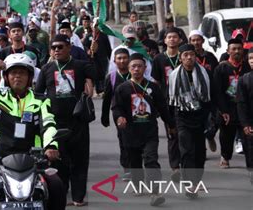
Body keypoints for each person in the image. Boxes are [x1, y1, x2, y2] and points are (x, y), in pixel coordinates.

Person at [0, 53, 65, 210]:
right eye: (13, 73)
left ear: (30, 77)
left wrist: (51, 146)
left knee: (57, 185)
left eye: (22, 73)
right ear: (6, 77)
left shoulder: (41, 101)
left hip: (34, 160)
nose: (17, 77)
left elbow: (48, 124)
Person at [35, 34, 97, 206]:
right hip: (55, 123)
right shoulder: (46, 69)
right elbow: (38, 94)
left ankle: (78, 197)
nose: (57, 50)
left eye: (60, 47)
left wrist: (93, 55)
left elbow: (97, 74)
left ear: (69, 47)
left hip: (78, 121)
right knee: (58, 162)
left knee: (79, 161)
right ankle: (60, 196)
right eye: (54, 47)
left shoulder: (80, 65)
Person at [112, 53, 176, 207]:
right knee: (134, 162)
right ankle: (138, 184)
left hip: (149, 132)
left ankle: (156, 191)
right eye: (133, 66)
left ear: (145, 68)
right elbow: (116, 108)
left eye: (139, 66)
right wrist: (119, 118)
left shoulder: (153, 87)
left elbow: (163, 108)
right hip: (130, 132)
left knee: (151, 160)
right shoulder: (123, 88)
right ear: (129, 68)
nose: (136, 69)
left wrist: (171, 125)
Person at [168, 44, 211, 199]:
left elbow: (208, 100)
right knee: (186, 150)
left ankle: (196, 180)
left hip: (200, 116)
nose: (189, 58)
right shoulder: (174, 75)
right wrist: (170, 123)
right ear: (180, 58)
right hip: (182, 115)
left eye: (191, 54)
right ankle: (189, 184)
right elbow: (171, 102)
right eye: (185, 55)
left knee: (200, 152)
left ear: (195, 56)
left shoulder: (204, 73)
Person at [213, 38, 251, 169]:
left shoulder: (247, 67)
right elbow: (217, 91)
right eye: (233, 49)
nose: (237, 51)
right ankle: (225, 156)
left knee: (248, 135)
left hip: (245, 107)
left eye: (239, 49)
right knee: (227, 135)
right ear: (228, 51)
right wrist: (223, 110)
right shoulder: (221, 68)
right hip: (227, 108)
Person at [151, 28, 182, 181]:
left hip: (185, 101)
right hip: (167, 102)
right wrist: (156, 104)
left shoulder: (185, 56)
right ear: (165, 40)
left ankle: (187, 164)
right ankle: (175, 167)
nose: (172, 40)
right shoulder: (158, 59)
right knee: (173, 134)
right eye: (169, 37)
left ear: (180, 40)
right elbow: (156, 82)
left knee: (185, 135)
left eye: (175, 37)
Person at [101, 48, 131, 181]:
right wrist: (104, 117)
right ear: (114, 61)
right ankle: (127, 168)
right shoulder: (112, 77)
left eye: (125, 58)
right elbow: (107, 98)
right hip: (118, 112)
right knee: (124, 139)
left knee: (137, 139)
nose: (122, 61)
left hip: (136, 112)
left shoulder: (135, 73)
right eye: (119, 58)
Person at [189, 30, 219, 152]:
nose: (196, 42)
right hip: (194, 96)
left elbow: (217, 74)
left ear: (202, 40)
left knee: (215, 120)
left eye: (198, 39)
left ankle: (210, 136)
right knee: (197, 123)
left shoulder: (210, 57)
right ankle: (201, 150)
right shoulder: (188, 57)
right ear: (190, 41)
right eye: (193, 40)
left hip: (210, 94)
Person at [236, 47, 253, 184]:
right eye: (251, 58)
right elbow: (241, 103)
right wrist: (245, 124)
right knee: (250, 147)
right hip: (250, 120)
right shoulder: (244, 80)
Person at [84, 18, 112, 93]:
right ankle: (96, 89)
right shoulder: (89, 36)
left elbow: (108, 48)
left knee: (102, 74)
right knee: (94, 74)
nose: (95, 28)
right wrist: (88, 51)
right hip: (93, 59)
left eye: (97, 26)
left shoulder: (103, 36)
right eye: (94, 26)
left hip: (102, 59)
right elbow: (84, 46)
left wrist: (111, 58)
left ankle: (102, 89)